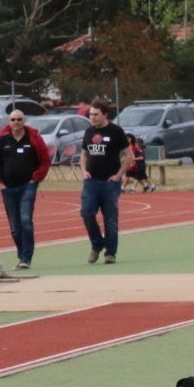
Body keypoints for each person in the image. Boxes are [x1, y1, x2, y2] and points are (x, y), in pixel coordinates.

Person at [0, 106, 51, 271]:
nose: (16, 122)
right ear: (9, 122)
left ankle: (26, 258)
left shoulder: (33, 139)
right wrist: (0, 183)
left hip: (27, 186)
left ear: (24, 120)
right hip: (7, 188)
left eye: (19, 119)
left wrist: (36, 178)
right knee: (15, 227)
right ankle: (21, 254)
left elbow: (44, 159)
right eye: (13, 119)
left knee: (25, 221)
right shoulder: (1, 141)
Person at [79, 100, 126, 265]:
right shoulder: (88, 132)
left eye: (95, 114)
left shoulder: (116, 131)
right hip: (91, 183)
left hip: (110, 183)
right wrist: (84, 171)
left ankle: (110, 253)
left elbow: (129, 156)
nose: (92, 117)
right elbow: (84, 154)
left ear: (105, 114)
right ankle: (97, 243)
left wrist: (119, 175)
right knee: (86, 212)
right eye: (90, 114)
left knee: (110, 219)